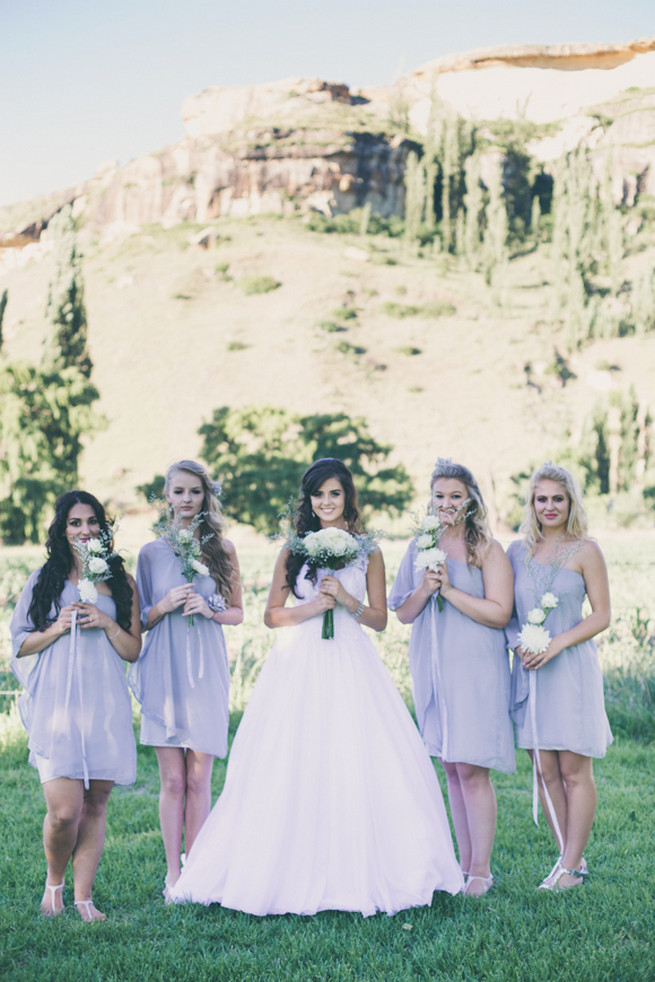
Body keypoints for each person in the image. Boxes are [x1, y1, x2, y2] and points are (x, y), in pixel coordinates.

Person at [169, 458, 463, 915]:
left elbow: (381, 620)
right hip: (298, 661)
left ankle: (362, 868)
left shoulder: (370, 551)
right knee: (289, 756)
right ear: (308, 501)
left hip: (351, 660)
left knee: (355, 755)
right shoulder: (294, 550)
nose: (326, 503)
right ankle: (281, 867)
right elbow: (271, 615)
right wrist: (312, 609)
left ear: (348, 498)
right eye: (318, 495)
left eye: (335, 494)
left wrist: (346, 601)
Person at [10, 491, 141, 922]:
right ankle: (54, 883)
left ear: (103, 528)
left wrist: (106, 622)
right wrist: (56, 626)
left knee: (96, 803)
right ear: (62, 530)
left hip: (104, 702)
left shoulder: (121, 583)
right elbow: (21, 644)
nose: (85, 530)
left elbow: (133, 651)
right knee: (66, 810)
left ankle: (83, 896)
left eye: (92, 522)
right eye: (75, 523)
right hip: (58, 703)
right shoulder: (43, 580)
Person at [388, 460, 515, 897]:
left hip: (476, 668)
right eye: (439, 496)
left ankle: (481, 870)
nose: (446, 504)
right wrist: (425, 588)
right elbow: (403, 612)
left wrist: (450, 591)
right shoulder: (420, 546)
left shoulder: (488, 550)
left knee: (473, 767)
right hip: (433, 664)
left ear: (471, 499)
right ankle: (462, 865)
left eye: (455, 496)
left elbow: (499, 614)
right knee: (451, 766)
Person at [129, 460, 243, 900]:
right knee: (172, 781)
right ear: (167, 497)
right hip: (165, 670)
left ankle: (198, 867)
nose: (186, 500)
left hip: (206, 670)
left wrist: (210, 610)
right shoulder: (150, 553)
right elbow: (138, 621)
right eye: (178, 492)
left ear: (205, 496)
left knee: (199, 779)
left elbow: (237, 613)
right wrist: (163, 605)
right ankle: (173, 872)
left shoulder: (224, 549)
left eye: (194, 492)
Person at [506, 463, 612, 891]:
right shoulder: (516, 552)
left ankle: (568, 869)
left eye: (557, 498)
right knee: (543, 768)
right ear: (531, 504)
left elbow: (602, 615)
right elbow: (506, 612)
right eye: (541, 499)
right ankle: (571, 859)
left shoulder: (587, 550)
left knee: (572, 769)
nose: (549, 506)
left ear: (570, 502)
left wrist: (557, 643)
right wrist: (520, 644)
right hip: (530, 671)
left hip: (569, 668)